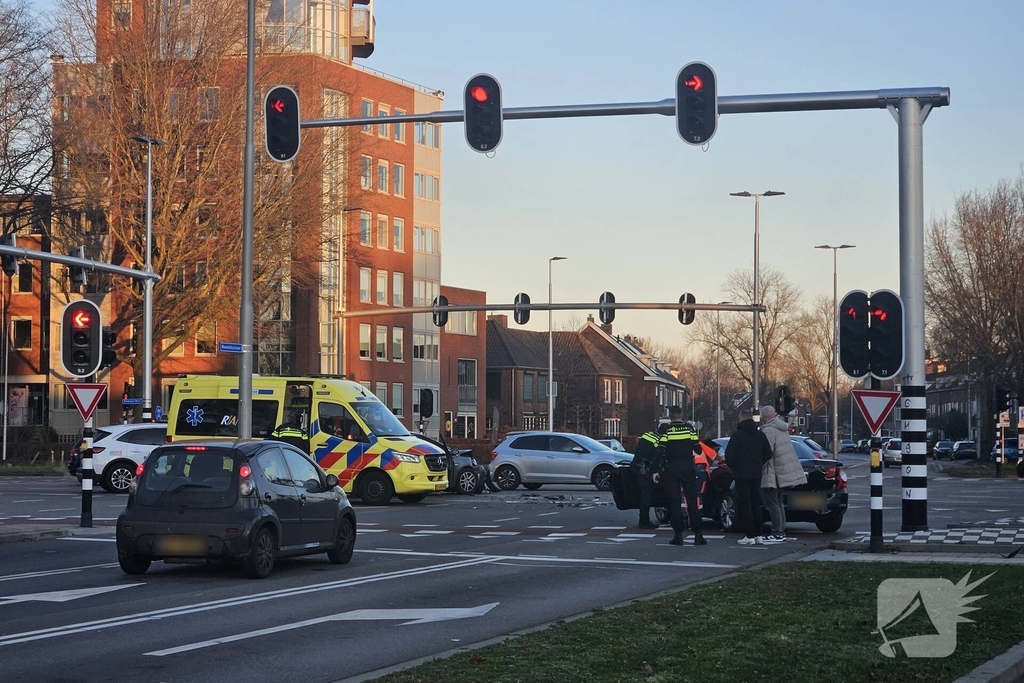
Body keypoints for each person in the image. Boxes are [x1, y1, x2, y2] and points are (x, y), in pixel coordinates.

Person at [725, 410, 773, 546]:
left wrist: (734, 466)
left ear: (741, 418)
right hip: (756, 473)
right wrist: (758, 463)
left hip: (741, 474)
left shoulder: (737, 436)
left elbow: (729, 456)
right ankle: (759, 534)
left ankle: (749, 534)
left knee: (744, 504)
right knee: (755, 503)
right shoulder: (760, 435)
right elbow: (768, 454)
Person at [759, 405, 807, 542]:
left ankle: (777, 531)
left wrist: (758, 466)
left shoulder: (769, 430)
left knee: (771, 503)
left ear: (764, 417)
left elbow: (766, 452)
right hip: (781, 472)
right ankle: (781, 531)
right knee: (778, 502)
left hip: (772, 472)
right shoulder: (782, 428)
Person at [659, 406, 706, 546]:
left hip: (672, 469)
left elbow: (660, 450)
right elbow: (697, 449)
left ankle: (678, 535)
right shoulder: (689, 429)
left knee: (674, 503)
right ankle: (698, 534)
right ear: (681, 414)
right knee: (692, 501)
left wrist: (656, 469)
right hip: (687, 469)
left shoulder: (666, 430)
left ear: (670, 416)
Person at [631, 424, 664, 529]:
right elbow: (658, 457)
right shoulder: (658, 441)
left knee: (644, 493)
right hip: (644, 468)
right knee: (646, 494)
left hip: (635, 465)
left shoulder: (647, 435)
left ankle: (643, 519)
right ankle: (644, 521)